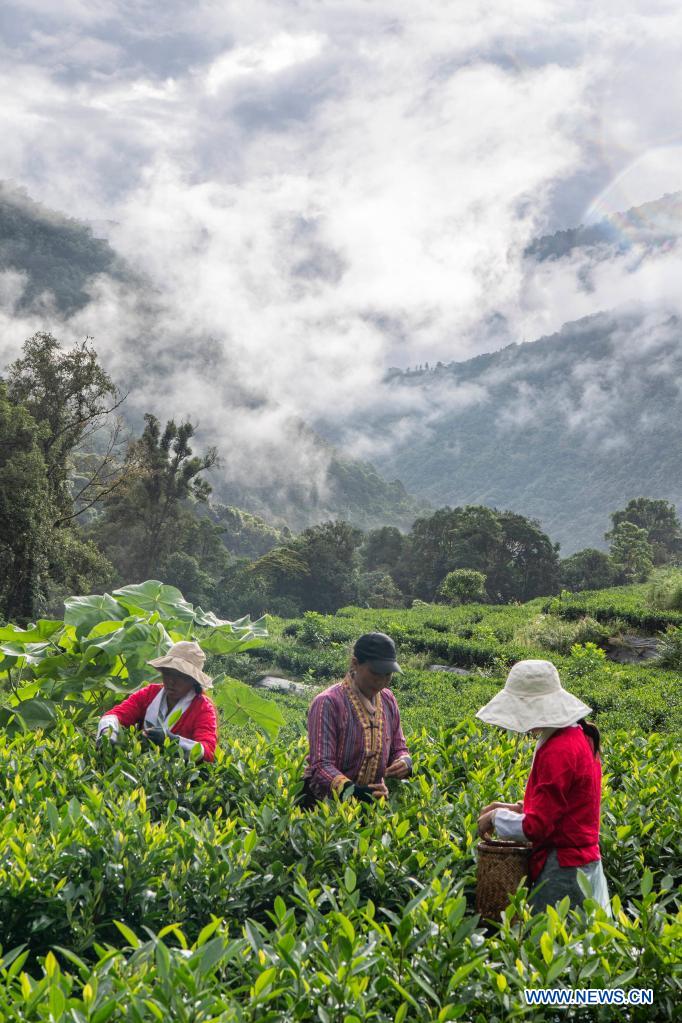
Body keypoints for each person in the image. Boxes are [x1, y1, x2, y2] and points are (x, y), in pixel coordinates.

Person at [475, 659, 610, 914]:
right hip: (584, 865)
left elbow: (538, 826)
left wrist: (496, 818)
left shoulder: (559, 750)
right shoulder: (577, 736)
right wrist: (514, 808)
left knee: (553, 946)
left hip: (565, 871)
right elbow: (562, 809)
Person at [301, 632, 412, 806]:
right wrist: (355, 792)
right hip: (323, 808)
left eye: (388, 674)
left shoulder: (388, 700)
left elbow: (399, 748)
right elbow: (321, 765)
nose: (382, 681)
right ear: (355, 663)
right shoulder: (328, 702)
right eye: (376, 672)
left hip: (370, 805)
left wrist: (404, 762)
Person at [96, 640, 218, 762]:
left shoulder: (202, 708)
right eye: (168, 674)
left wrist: (173, 741)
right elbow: (116, 714)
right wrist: (108, 732)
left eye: (180, 676)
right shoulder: (150, 693)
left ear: (193, 681)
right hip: (140, 766)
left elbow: (208, 752)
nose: (172, 681)